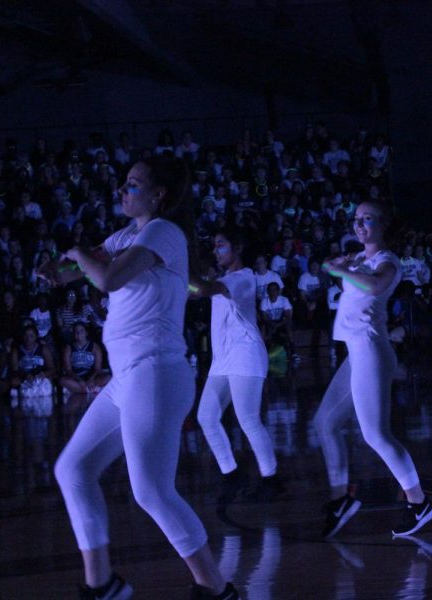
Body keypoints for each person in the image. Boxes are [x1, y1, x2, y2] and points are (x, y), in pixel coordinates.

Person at [45, 156, 238, 599]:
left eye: (133, 185)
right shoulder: (128, 235)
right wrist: (60, 270)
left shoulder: (162, 233)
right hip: (129, 377)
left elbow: (108, 278)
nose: (123, 190)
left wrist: (75, 255)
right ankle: (103, 585)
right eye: (124, 183)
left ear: (158, 195)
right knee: (73, 469)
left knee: (152, 491)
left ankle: (217, 588)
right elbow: (87, 268)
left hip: (155, 372)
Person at [314, 201, 432, 539]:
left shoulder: (388, 261)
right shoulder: (360, 259)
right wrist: (337, 264)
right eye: (356, 219)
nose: (360, 224)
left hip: (372, 351)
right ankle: (340, 500)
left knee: (375, 435)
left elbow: (373, 286)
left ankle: (419, 502)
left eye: (367, 219)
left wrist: (339, 268)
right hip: (356, 353)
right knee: (325, 424)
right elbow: (329, 266)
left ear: (382, 225)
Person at [192, 228, 284, 505]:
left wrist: (180, 274)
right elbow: (197, 291)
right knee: (206, 416)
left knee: (248, 420)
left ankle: (271, 479)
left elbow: (203, 289)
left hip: (246, 354)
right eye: (215, 245)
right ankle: (232, 475)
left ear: (238, 247)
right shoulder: (224, 278)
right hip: (225, 358)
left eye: (221, 245)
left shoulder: (242, 278)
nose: (216, 250)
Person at [59, 321, 110, 395]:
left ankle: (80, 390)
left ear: (86, 333)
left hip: (91, 377)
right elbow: (68, 370)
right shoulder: (69, 348)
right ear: (73, 334)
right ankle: (90, 390)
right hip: (76, 377)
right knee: (62, 380)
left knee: (109, 377)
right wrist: (79, 380)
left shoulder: (94, 347)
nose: (79, 333)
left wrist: (91, 379)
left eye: (81, 331)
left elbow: (98, 368)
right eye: (76, 332)